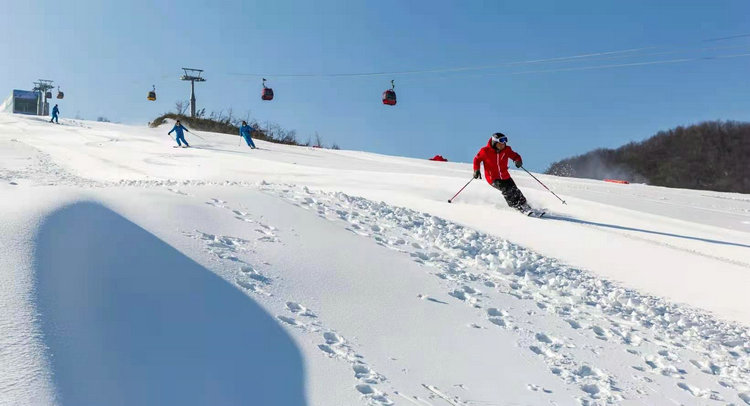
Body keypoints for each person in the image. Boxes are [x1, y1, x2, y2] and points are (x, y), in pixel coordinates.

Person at [473, 132, 531, 212]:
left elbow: (515, 156)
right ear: (494, 143)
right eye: (500, 143)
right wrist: (476, 170)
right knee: (507, 190)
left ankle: (525, 205)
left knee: (515, 190)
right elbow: (477, 159)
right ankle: (516, 207)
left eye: (504, 143)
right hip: (493, 178)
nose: (503, 145)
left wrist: (518, 160)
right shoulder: (485, 151)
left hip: (505, 176)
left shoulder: (506, 150)